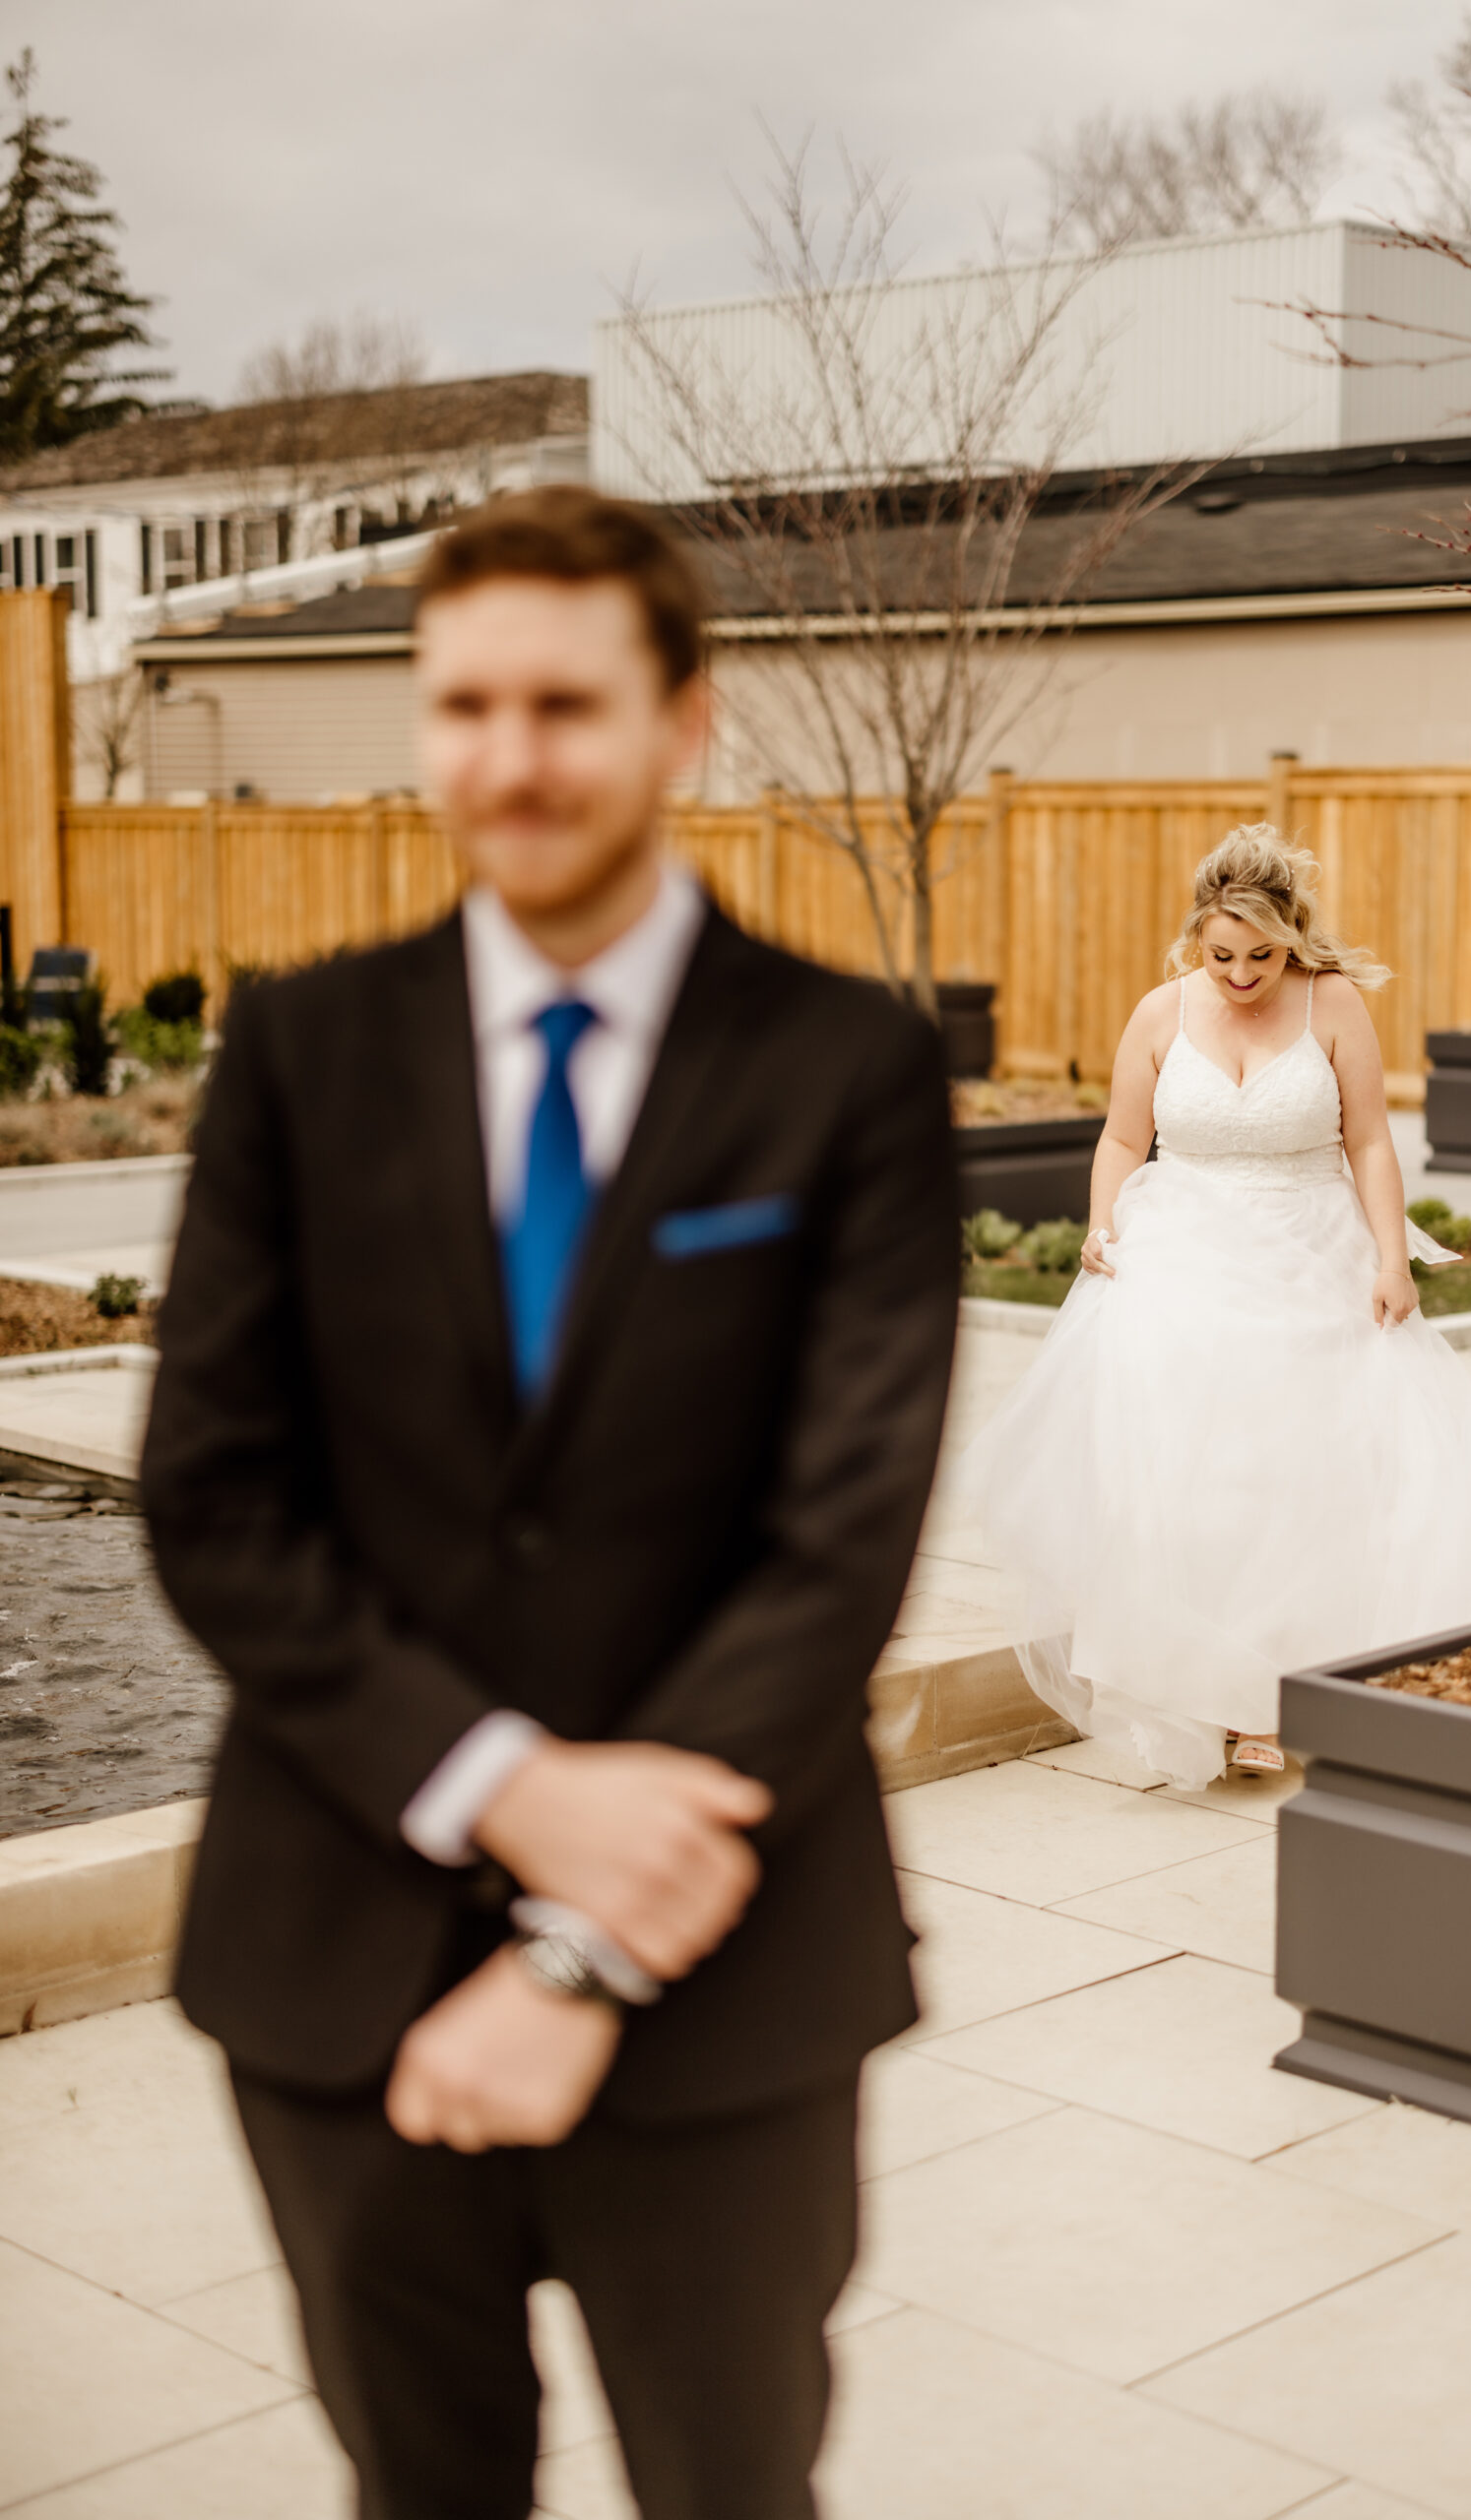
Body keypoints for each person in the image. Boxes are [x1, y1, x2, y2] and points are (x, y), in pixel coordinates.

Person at [141, 486, 960, 2520]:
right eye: (464, 705)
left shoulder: (842, 1065)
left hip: (726, 1978)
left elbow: (837, 1533)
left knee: (728, 2482)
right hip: (340, 1955)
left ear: (683, 717)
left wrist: (584, 1936)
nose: (508, 761)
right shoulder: (300, 1052)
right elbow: (215, 1494)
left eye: (563, 705)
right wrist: (506, 1786)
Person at [966, 823, 1471, 1791]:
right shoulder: (1156, 1013)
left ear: (1292, 938)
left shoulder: (1334, 1005)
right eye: (1219, 954)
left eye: (1260, 955)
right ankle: (1196, 1687)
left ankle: (1269, 1699)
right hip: (1179, 1258)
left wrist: (1391, 1257)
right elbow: (1119, 1139)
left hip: (1310, 1250)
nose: (1239, 974)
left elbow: (1369, 1144)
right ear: (1196, 937)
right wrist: (1102, 1222)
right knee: (1183, 1477)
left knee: (1291, 1475)